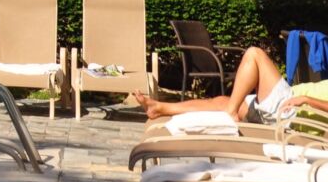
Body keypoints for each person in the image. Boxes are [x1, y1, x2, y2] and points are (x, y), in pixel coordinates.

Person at [132, 46, 328, 122]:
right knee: (221, 102)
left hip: (291, 110)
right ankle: (159, 108)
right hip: (288, 103)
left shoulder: (303, 101)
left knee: (255, 54)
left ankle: (231, 112)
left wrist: (305, 99)